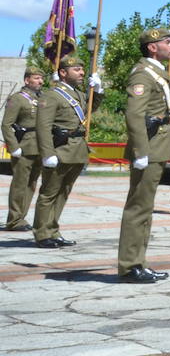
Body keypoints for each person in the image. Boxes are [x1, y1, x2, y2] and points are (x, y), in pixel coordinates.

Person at [118, 26, 170, 282]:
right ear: (152, 47)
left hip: (158, 146)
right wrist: (140, 150)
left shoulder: (157, 72)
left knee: (145, 209)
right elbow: (134, 114)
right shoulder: (142, 75)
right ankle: (129, 266)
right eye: (169, 43)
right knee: (138, 208)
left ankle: (138, 262)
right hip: (149, 147)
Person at [34, 56, 101, 247]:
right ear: (63, 73)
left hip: (77, 149)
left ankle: (53, 230)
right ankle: (42, 233)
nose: (81, 73)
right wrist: (48, 153)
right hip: (60, 149)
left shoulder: (78, 94)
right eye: (76, 70)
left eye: (81, 69)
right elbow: (43, 127)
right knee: (49, 193)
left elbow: (90, 109)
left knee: (63, 192)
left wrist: (98, 91)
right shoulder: (51, 95)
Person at [3, 67, 45, 232]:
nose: (40, 81)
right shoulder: (17, 99)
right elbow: (6, 125)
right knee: (20, 184)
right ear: (27, 80)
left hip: (39, 146)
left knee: (31, 184)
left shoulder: (41, 98)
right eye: (36, 78)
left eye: (41, 78)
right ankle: (14, 219)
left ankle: (22, 217)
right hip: (24, 146)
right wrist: (13, 147)